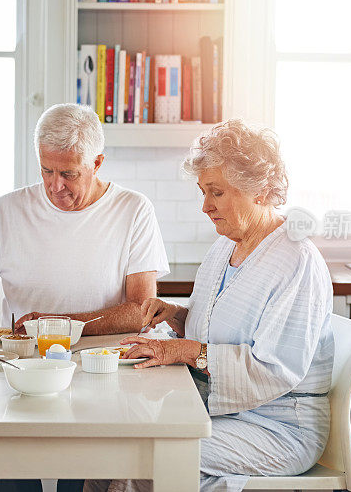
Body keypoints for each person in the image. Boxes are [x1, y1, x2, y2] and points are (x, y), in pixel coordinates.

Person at [0, 103, 169, 491]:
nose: (55, 185)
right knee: (12, 479)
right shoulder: (8, 210)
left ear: (97, 161)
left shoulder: (132, 210)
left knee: (80, 483)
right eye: (46, 170)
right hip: (17, 375)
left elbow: (141, 311)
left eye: (69, 173)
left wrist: (56, 325)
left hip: (97, 377)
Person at [87, 119, 335, 492]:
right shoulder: (226, 246)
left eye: (216, 192)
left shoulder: (295, 259)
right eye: (203, 192)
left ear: (259, 189)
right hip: (228, 413)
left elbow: (274, 370)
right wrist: (177, 317)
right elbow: (217, 332)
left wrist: (181, 350)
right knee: (118, 442)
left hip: (278, 427)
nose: (204, 206)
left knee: (144, 457)